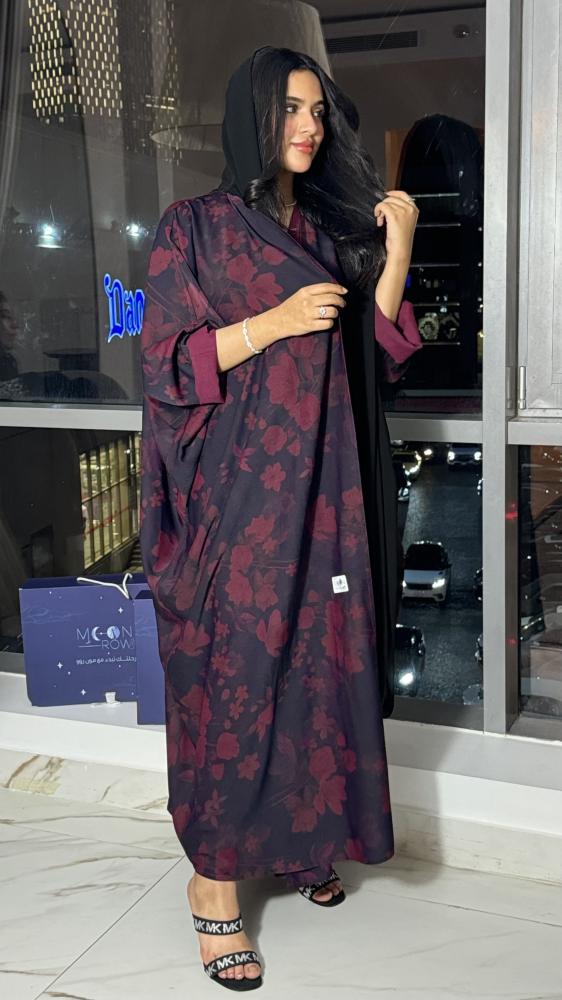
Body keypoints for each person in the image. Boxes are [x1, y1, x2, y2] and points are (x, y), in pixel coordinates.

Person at [140, 45, 422, 992]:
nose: (307, 126)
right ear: (251, 116)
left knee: (317, 667)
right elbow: (166, 363)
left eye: (317, 111)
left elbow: (374, 354)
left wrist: (397, 251)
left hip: (325, 493)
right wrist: (274, 322)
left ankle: (301, 842)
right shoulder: (193, 228)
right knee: (240, 677)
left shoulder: (329, 231)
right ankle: (214, 884)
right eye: (290, 109)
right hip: (240, 503)